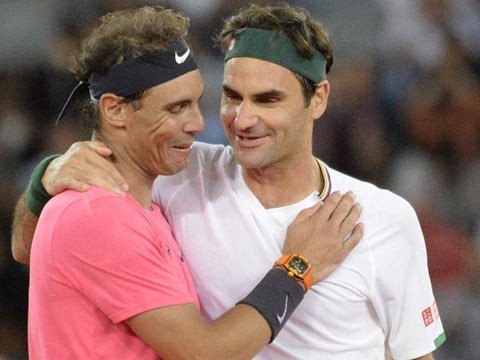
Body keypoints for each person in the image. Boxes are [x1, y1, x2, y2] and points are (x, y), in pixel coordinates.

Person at [11, 3, 445, 359]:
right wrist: (45, 177)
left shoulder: (383, 219)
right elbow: (30, 245)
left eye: (267, 99)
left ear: (319, 99)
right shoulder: (174, 173)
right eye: (232, 97)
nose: (242, 119)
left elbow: (414, 353)